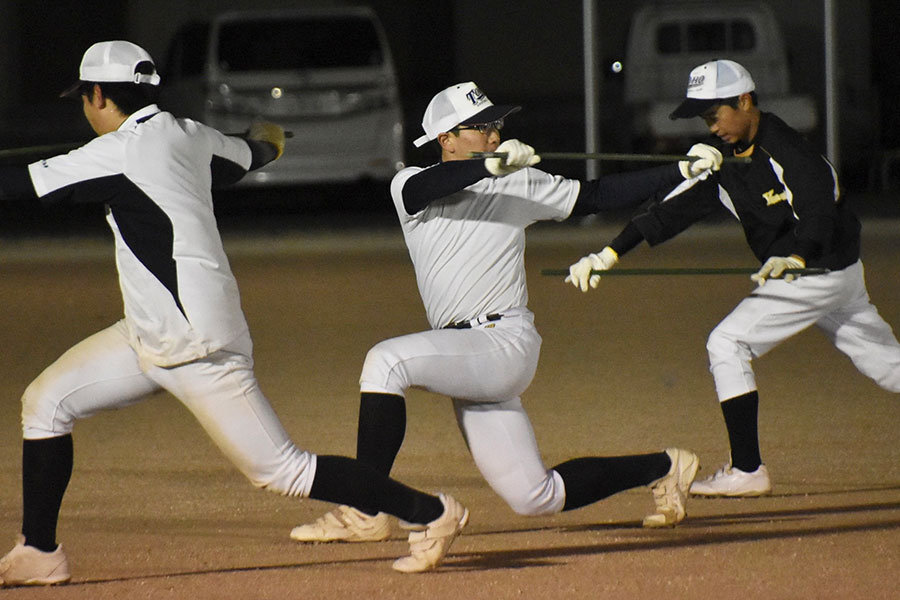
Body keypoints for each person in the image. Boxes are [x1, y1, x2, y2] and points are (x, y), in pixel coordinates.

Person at [0, 40, 468, 586]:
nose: (84, 108)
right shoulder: (190, 134)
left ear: (99, 95)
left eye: (85, 97)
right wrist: (268, 139)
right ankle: (39, 551)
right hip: (150, 335)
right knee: (46, 401)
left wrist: (259, 142)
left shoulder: (116, 153)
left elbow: (17, 184)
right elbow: (250, 155)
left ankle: (433, 513)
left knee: (283, 470)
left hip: (197, 344)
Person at [289, 81, 719, 545]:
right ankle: (666, 467)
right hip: (465, 355)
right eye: (478, 127)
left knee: (385, 362)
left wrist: (678, 170)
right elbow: (431, 185)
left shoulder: (517, 179)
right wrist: (489, 167)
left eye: (495, 125)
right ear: (446, 140)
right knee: (534, 496)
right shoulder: (409, 185)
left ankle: (364, 508)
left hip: (502, 344)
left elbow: (595, 195)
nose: (493, 134)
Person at [565, 59, 900, 497]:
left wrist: (797, 256)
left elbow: (820, 207)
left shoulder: (786, 147)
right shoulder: (722, 157)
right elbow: (670, 211)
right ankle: (747, 469)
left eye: (715, 114)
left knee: (727, 343)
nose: (712, 126)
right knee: (887, 365)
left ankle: (747, 470)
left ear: (744, 101)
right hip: (833, 275)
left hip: (814, 271)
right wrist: (608, 253)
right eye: (705, 118)